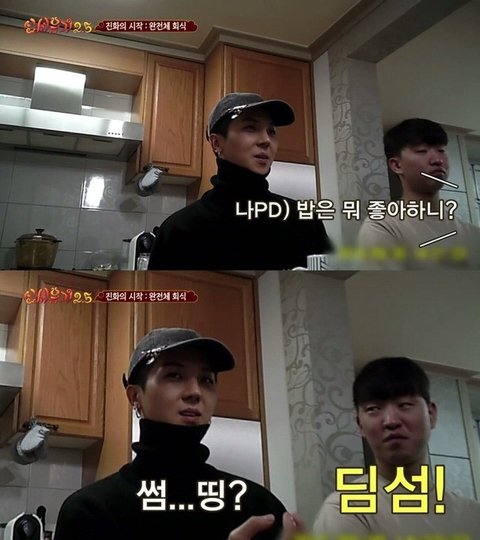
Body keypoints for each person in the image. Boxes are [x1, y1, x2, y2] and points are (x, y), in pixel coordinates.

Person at [55, 328, 303, 540]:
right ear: (135, 396)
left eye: (207, 380)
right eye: (174, 375)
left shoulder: (258, 507)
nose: (195, 392)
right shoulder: (91, 511)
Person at [148, 92, 332, 270]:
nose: (266, 140)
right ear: (216, 143)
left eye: (271, 131)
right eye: (250, 128)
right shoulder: (178, 231)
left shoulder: (305, 222)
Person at [314, 357, 480, 538]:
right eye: (373, 409)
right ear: (360, 424)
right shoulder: (346, 508)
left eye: (404, 405)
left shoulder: (472, 513)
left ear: (431, 414)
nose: (391, 421)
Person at [357, 118, 480, 269]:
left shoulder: (473, 233)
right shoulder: (382, 227)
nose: (438, 160)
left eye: (441, 150)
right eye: (422, 151)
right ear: (396, 165)